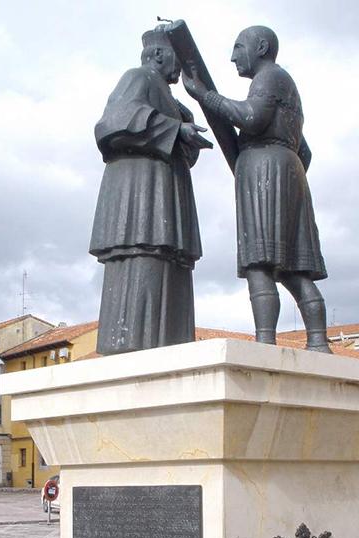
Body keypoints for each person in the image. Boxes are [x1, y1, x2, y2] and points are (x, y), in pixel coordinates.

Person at [183, 25, 331, 352]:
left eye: (238, 47)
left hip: (266, 169)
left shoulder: (270, 77)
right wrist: (288, 180)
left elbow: (250, 118)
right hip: (287, 168)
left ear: (261, 47)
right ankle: (318, 341)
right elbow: (305, 152)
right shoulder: (283, 85)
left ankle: (265, 341)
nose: (232, 56)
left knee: (259, 262)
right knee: (295, 266)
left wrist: (204, 96)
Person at [90, 24, 212, 355]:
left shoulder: (170, 97)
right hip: (141, 194)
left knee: (168, 263)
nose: (182, 67)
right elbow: (114, 123)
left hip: (165, 195)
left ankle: (167, 348)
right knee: (145, 257)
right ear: (158, 53)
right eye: (178, 58)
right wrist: (175, 129)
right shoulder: (138, 77)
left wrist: (185, 133)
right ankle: (134, 346)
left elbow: (179, 146)